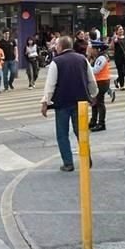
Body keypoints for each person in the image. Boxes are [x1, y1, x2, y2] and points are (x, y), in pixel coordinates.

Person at [41, 36, 98, 172]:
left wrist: (45, 102)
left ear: (60, 46)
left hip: (62, 103)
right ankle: (86, 159)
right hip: (81, 102)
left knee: (62, 134)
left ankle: (68, 163)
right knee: (81, 132)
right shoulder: (82, 59)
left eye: (56, 45)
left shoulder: (56, 62)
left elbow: (50, 85)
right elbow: (91, 80)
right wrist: (93, 95)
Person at [88, 41, 111, 132]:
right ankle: (93, 121)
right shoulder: (98, 57)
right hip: (98, 82)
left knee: (99, 102)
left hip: (102, 82)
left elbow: (96, 70)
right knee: (94, 102)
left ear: (98, 49)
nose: (91, 50)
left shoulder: (101, 58)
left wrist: (87, 68)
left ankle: (101, 123)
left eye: (93, 49)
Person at [111, 25, 125, 92]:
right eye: (119, 29)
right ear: (116, 31)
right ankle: (122, 86)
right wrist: (114, 40)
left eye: (122, 29)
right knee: (120, 71)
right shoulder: (115, 38)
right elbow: (111, 47)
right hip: (118, 57)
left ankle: (117, 80)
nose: (121, 31)